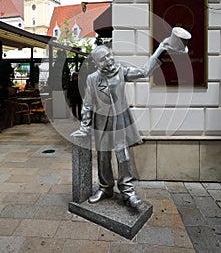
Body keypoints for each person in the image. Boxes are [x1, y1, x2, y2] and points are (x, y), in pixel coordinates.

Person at [71, 28, 191, 207]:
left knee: (123, 156)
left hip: (120, 123)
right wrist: (84, 127)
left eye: (110, 56)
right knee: (103, 157)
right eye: (104, 58)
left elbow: (144, 72)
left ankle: (127, 190)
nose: (110, 60)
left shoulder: (121, 71)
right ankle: (105, 188)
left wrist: (161, 49)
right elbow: (88, 104)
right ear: (97, 63)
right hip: (101, 123)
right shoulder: (92, 79)